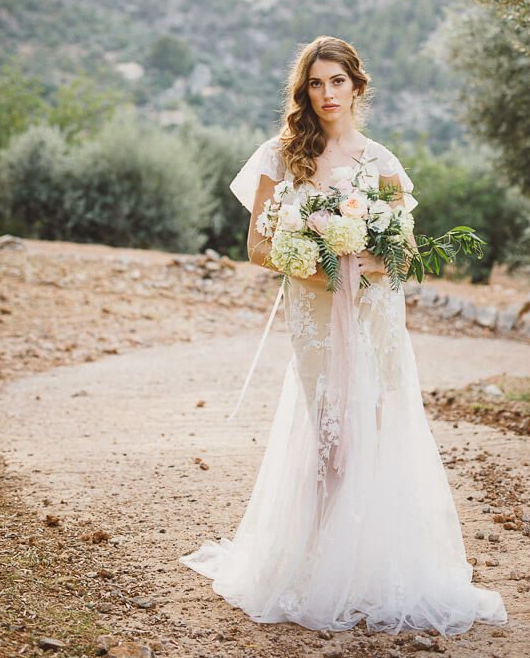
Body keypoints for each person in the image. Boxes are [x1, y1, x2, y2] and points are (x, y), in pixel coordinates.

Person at [180, 35, 508, 636]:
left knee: (376, 427)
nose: (327, 94)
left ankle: (372, 569)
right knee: (331, 433)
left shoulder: (380, 161)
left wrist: (358, 256)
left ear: (357, 86)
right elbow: (256, 246)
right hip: (312, 312)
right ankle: (315, 569)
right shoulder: (282, 157)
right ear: (303, 91)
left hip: (374, 313)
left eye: (337, 82)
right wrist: (313, 260)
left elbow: (404, 252)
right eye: (315, 83)